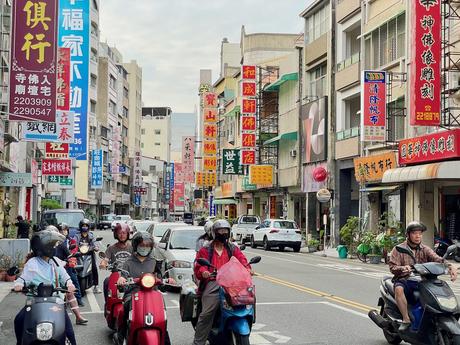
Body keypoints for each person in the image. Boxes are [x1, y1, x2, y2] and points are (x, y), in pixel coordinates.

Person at [13, 226, 86, 345]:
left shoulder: (55, 261)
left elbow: (65, 276)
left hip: (55, 302)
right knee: (19, 320)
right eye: (51, 245)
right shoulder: (32, 263)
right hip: (34, 302)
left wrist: (69, 284)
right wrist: (19, 284)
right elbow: (22, 278)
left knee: (69, 333)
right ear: (42, 246)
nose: (54, 247)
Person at [389, 221, 458, 331]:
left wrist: (450, 266)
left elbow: (437, 259)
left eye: (420, 233)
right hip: (404, 279)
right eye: (414, 233)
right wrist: (403, 268)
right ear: (408, 234)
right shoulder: (398, 249)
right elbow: (392, 267)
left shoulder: (425, 249)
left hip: (423, 280)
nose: (418, 236)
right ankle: (406, 319)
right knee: (398, 289)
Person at [193, 220, 251, 345]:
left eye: (226, 231)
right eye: (220, 231)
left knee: (248, 301)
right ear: (214, 233)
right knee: (207, 313)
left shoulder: (232, 248)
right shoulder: (205, 249)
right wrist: (204, 272)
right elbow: (199, 265)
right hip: (213, 282)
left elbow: (242, 260)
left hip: (232, 283)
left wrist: (248, 269)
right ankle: (198, 342)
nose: (223, 233)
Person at [115, 232, 174, 345]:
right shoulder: (128, 263)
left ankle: (164, 338)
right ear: (136, 246)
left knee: (162, 316)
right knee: (124, 310)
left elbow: (161, 281)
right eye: (142, 245)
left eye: (147, 246)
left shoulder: (154, 262)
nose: (145, 248)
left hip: (153, 294)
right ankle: (121, 336)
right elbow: (123, 277)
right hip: (133, 294)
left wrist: (167, 281)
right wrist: (122, 280)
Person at [99, 223, 133, 301]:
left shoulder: (132, 247)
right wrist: (103, 264)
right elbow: (105, 259)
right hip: (116, 274)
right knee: (107, 281)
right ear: (116, 235)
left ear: (127, 234)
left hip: (130, 275)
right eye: (119, 233)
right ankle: (108, 304)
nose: (122, 235)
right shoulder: (111, 248)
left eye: (124, 233)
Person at [55, 222, 85, 307]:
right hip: (56, 265)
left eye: (64, 230)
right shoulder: (54, 242)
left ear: (67, 231)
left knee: (74, 280)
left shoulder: (71, 240)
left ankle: (79, 299)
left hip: (68, 265)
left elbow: (74, 250)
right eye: (61, 230)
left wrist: (70, 257)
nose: (62, 232)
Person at [75, 218, 102, 293]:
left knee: (94, 268)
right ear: (80, 226)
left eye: (86, 226)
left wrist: (96, 247)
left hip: (89, 254)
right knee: (74, 268)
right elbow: (74, 242)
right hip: (79, 254)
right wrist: (73, 246)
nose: (85, 227)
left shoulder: (91, 235)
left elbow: (94, 242)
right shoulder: (77, 236)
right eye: (83, 225)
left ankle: (96, 286)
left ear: (88, 227)